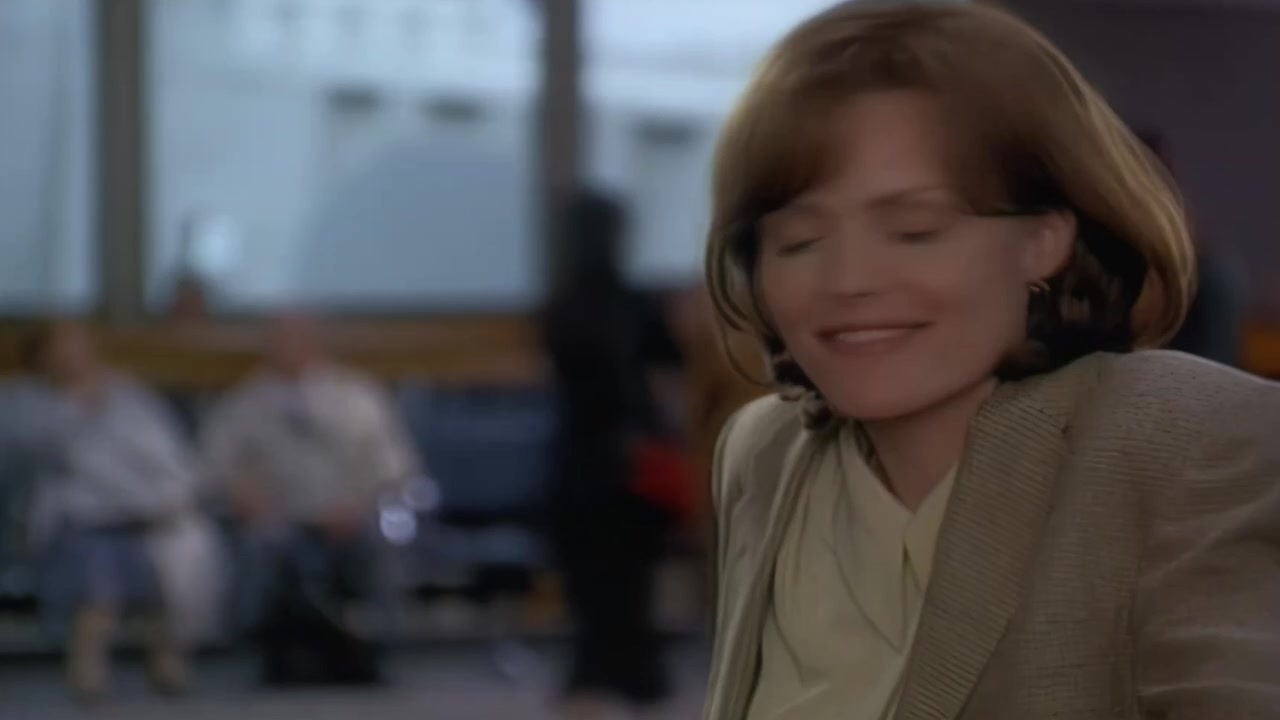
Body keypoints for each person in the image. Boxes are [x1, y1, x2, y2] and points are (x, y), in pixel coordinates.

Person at [701, 3, 1280, 720]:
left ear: (1043, 240)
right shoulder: (762, 453)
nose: (847, 280)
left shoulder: (1182, 444)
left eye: (914, 230)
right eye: (797, 243)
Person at [6, 321, 222, 701]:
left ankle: (168, 661)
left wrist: (168, 494)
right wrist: (78, 413)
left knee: (177, 559)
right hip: (79, 517)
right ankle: (88, 668)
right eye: (60, 347)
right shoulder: (24, 402)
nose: (70, 355)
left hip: (147, 511)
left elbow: (166, 453)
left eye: (77, 345)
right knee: (97, 570)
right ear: (41, 357)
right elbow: (35, 456)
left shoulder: (130, 396)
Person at [199, 312, 419, 682]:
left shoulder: (357, 396)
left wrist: (358, 504)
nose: (289, 348)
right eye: (281, 340)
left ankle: (373, 649)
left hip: (350, 514)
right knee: (260, 546)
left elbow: (394, 464)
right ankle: (272, 650)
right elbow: (211, 466)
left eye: (299, 339)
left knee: (383, 542)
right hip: (279, 517)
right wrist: (241, 492)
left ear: (317, 344)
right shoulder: (245, 402)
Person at [542, 190, 684, 719]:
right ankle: (637, 677)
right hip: (633, 456)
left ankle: (592, 676)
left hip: (579, 457)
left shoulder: (559, 310)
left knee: (589, 583)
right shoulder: (638, 305)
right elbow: (669, 373)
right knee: (633, 579)